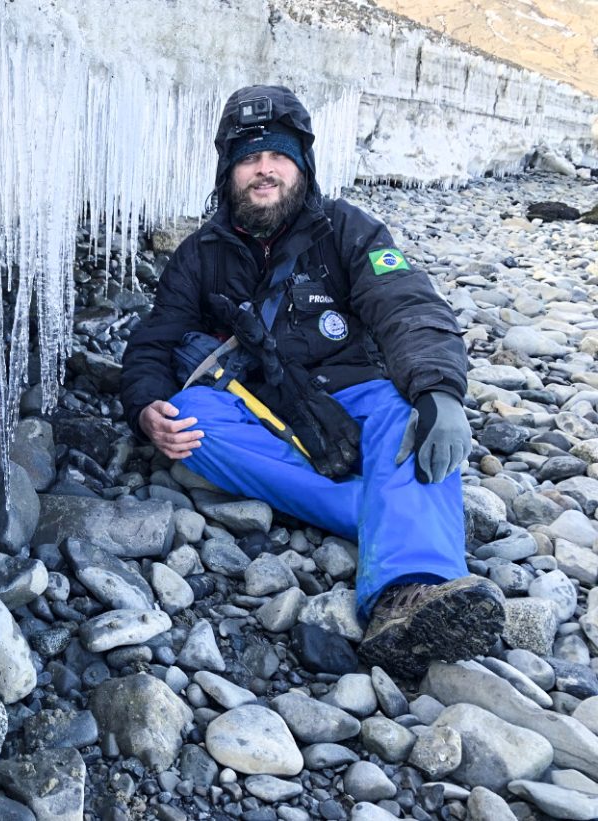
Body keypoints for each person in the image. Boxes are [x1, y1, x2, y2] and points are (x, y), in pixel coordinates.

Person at [120, 85, 505, 679]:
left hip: (356, 392)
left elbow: (406, 307)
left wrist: (439, 392)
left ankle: (409, 593)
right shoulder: (199, 255)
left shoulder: (350, 231)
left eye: (278, 155)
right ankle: (398, 511)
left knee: (408, 420)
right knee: (189, 421)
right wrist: (146, 407)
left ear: (302, 165)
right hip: (259, 407)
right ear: (229, 172)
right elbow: (154, 341)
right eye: (249, 157)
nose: (264, 169)